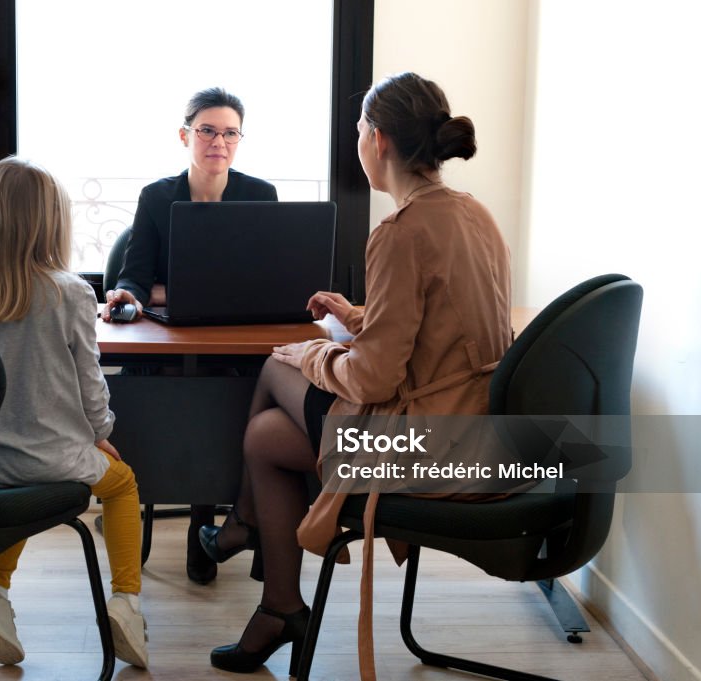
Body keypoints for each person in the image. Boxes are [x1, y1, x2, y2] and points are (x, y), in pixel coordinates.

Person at [198, 72, 513, 675]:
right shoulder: (473, 215)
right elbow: (446, 323)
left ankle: (243, 532)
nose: (358, 141)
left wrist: (310, 354)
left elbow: (370, 381)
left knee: (274, 363)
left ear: (380, 141)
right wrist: (360, 315)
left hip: (421, 445)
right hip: (471, 425)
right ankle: (277, 600)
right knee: (265, 438)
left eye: (359, 129)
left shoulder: (399, 231)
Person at [0, 157, 149, 669]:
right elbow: (91, 390)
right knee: (122, 482)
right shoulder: (70, 292)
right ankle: (126, 600)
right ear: (52, 223)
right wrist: (101, 434)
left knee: (18, 488)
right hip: (54, 460)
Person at [100, 87, 278, 585]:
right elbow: (134, 277)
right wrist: (133, 294)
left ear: (239, 141)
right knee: (178, 395)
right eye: (206, 130)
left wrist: (166, 289)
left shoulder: (259, 196)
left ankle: (242, 525)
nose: (218, 141)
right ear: (185, 135)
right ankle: (201, 520)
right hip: (172, 343)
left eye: (229, 133)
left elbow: (265, 279)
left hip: (236, 341)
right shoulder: (158, 197)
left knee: (245, 392)